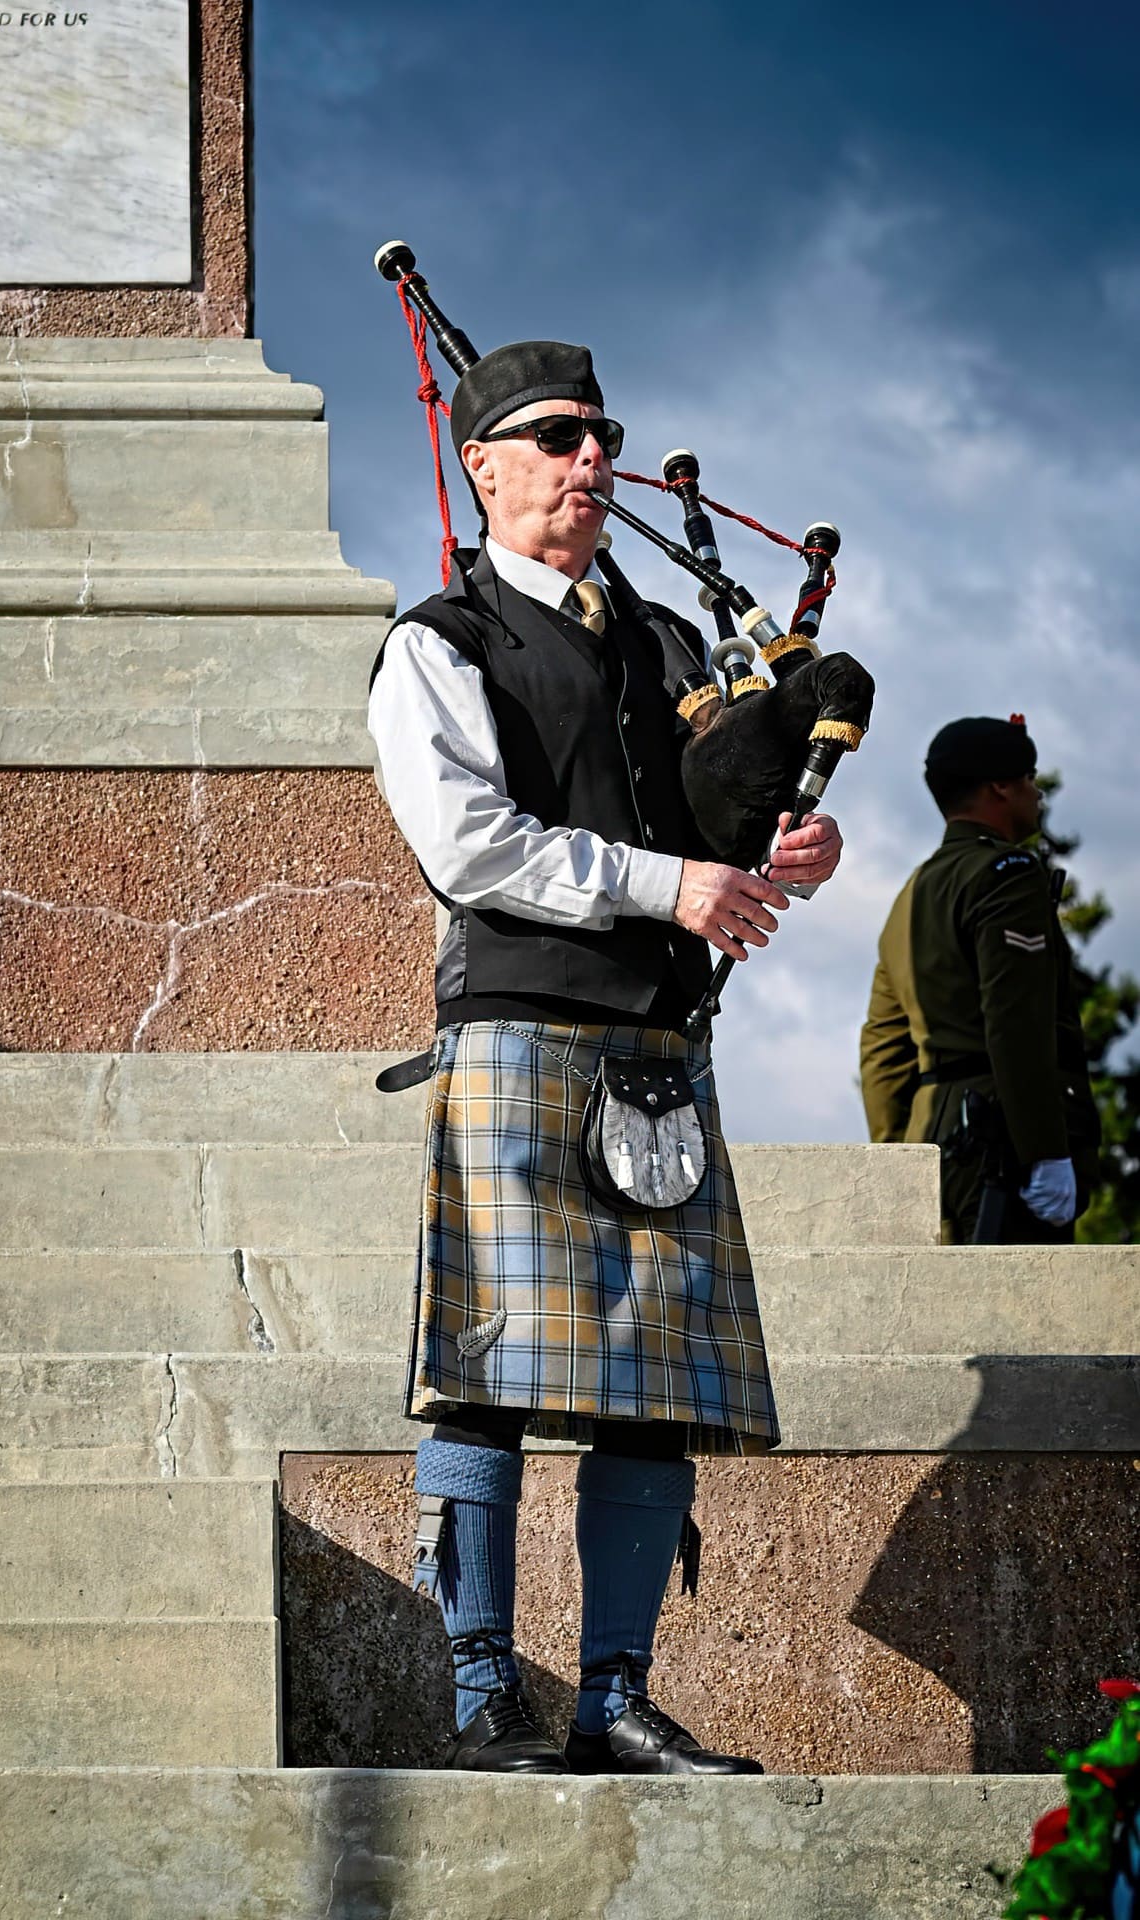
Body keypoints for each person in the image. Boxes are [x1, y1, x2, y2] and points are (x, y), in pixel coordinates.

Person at [368, 338, 843, 1774]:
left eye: (602, 434)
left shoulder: (664, 645)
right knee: (492, 1375)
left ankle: (612, 1696)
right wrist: (666, 884)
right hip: (515, 1025)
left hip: (655, 1043)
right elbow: (467, 843)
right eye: (558, 436)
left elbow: (707, 830)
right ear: (484, 463)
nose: (590, 460)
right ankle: (478, 1694)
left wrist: (778, 854)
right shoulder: (439, 642)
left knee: (652, 1389)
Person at [860, 715, 1099, 1244]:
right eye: (1029, 778)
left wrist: (899, 1159)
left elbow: (882, 1049)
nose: (1037, 792)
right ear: (1000, 787)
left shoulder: (911, 894)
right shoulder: (1007, 875)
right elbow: (1016, 1024)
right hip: (1003, 1144)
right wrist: (1046, 1152)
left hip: (935, 1145)